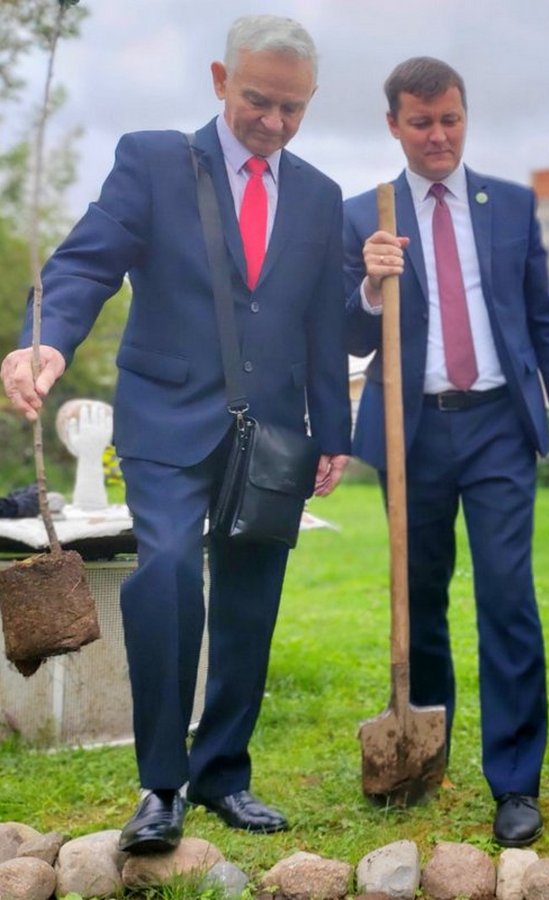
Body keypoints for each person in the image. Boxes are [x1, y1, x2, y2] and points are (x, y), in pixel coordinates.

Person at [0, 15, 350, 854]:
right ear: (221, 78)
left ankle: (225, 770)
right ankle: (161, 783)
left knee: (249, 600)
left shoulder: (320, 195)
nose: (273, 122)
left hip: (270, 434)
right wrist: (46, 338)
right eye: (259, 100)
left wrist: (330, 431)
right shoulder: (154, 160)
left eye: (292, 109)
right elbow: (87, 262)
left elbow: (320, 323)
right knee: (163, 575)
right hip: (166, 415)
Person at [343, 56, 549, 847]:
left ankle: (515, 782)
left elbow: (544, 316)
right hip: (407, 429)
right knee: (419, 601)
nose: (438, 135)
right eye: (421, 122)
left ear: (463, 115)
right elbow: (346, 333)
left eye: (450, 118)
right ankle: (425, 750)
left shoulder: (510, 205)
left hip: (496, 426)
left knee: (507, 597)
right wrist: (371, 286)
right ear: (394, 126)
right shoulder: (364, 216)